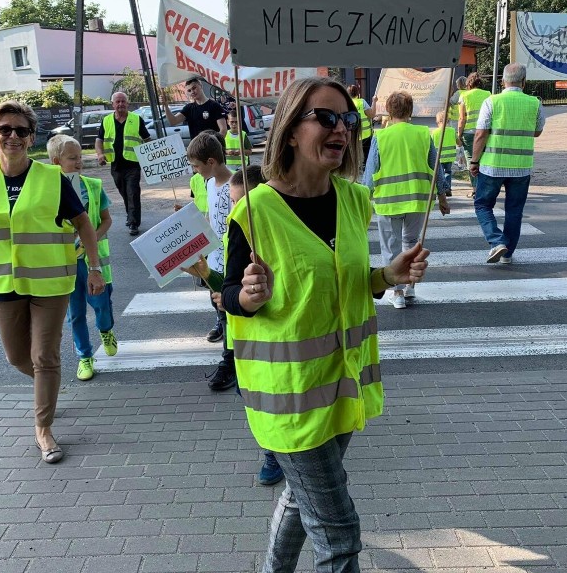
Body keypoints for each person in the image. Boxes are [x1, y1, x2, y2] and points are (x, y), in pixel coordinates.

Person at [223, 77, 430, 572]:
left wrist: (386, 276)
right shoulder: (255, 212)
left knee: (304, 497)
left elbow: (350, 282)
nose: (342, 129)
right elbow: (230, 296)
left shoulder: (355, 201)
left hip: (344, 387)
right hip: (290, 400)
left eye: (350, 119)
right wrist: (247, 296)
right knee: (338, 534)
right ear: (292, 130)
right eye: (327, 118)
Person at [0, 100, 105, 464]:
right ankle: (47, 382)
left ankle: (44, 428)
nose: (12, 136)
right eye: (5, 129)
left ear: (31, 138)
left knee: (44, 355)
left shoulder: (52, 178)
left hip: (51, 282)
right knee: (18, 357)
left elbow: (84, 222)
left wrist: (96, 267)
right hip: (2, 283)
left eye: (21, 130)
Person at [181, 166, 284, 486]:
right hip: (244, 341)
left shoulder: (275, 233)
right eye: (233, 202)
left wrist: (245, 297)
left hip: (273, 340)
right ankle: (272, 450)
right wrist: (205, 275)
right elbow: (228, 288)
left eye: (242, 203)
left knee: (273, 399)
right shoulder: (236, 232)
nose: (234, 212)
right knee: (250, 395)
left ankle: (276, 453)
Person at [364, 92, 450, 308]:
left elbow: (369, 173)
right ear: (411, 111)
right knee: (411, 244)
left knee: (390, 248)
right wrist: (442, 195)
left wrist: (364, 200)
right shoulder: (423, 133)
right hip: (417, 201)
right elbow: (436, 166)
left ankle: (398, 292)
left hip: (388, 202)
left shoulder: (381, 137)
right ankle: (410, 284)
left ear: (389, 111)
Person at [47, 135, 117, 382]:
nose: (79, 162)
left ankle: (106, 330)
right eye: (72, 158)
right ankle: (84, 356)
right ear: (57, 161)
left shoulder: (93, 186)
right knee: (74, 313)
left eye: (80, 157)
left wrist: (93, 238)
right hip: (67, 264)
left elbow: (107, 219)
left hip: (93, 261)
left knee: (102, 305)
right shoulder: (48, 190)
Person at [470, 63, 545, 264]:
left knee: (482, 205)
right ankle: (508, 253)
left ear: (502, 81)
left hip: (492, 166)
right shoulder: (535, 103)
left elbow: (480, 134)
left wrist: (474, 160)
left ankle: (496, 242)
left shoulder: (491, 102)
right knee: (514, 210)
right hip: (521, 167)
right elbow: (537, 131)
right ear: (524, 82)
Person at [186, 132, 237, 390]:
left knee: (230, 314)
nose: (195, 171)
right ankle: (231, 355)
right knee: (219, 309)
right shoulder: (208, 184)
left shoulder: (236, 185)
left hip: (233, 262)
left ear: (211, 161)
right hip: (214, 261)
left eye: (196, 166)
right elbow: (210, 220)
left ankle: (230, 364)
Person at [94, 91, 150, 236]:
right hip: (116, 165)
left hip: (133, 164)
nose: (120, 104)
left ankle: (133, 222)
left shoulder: (137, 119)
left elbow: (147, 140)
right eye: (117, 102)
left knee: (133, 192)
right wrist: (100, 154)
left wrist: (154, 156)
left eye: (123, 101)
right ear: (112, 104)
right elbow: (99, 140)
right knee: (124, 192)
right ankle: (130, 215)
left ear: (128, 103)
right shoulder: (106, 120)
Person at [458, 73, 491, 197]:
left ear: (469, 84)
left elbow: (462, 118)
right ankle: (485, 188)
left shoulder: (464, 96)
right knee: (483, 160)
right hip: (485, 131)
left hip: (469, 133)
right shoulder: (488, 94)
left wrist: (459, 134)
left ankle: (475, 190)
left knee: (471, 161)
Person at [346, 83, 378, 165]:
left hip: (352, 135)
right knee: (366, 158)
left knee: (353, 155)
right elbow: (372, 115)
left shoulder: (346, 104)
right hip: (365, 135)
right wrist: (374, 101)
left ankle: (353, 169)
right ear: (358, 93)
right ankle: (364, 170)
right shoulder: (362, 102)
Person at [432, 109, 459, 195]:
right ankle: (448, 188)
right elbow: (458, 141)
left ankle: (443, 188)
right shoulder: (452, 130)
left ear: (437, 121)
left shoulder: (435, 132)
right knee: (448, 172)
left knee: (440, 173)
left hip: (439, 157)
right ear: (448, 120)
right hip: (450, 157)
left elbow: (431, 144)